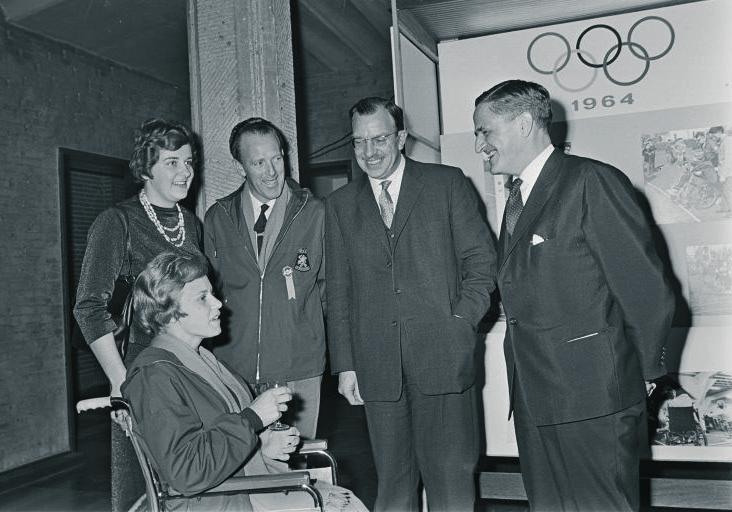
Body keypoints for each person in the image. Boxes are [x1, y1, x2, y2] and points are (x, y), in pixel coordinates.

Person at [472, 80, 674, 511]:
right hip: (536, 396)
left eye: (485, 131)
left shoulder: (590, 182)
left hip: (592, 396)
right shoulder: (518, 196)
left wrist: (644, 372)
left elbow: (646, 289)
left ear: (524, 124)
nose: (480, 146)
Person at [325, 97, 497, 511]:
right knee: (392, 486)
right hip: (377, 368)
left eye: (380, 138)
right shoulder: (341, 205)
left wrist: (461, 322)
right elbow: (338, 290)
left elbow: (482, 262)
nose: (370, 152)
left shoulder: (446, 183)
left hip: (444, 357)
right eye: (359, 142)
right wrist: (346, 363)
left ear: (400, 138)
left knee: (451, 484)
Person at [122, 252, 366, 512]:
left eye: (212, 294)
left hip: (236, 488)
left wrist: (262, 445)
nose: (218, 304)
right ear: (169, 314)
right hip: (215, 501)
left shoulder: (204, 360)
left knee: (346, 503)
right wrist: (252, 419)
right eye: (203, 298)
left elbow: (222, 438)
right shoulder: (154, 377)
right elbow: (186, 471)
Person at [74, 118, 204, 512]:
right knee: (144, 490)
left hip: (190, 369)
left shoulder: (192, 224)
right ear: (146, 169)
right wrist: (119, 378)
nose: (185, 172)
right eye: (172, 162)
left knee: (191, 481)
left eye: (189, 161)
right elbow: (88, 307)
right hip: (143, 374)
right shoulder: (118, 222)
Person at [204, 117, 325, 440]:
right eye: (258, 162)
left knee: (296, 462)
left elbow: (331, 290)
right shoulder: (218, 217)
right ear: (240, 165)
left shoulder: (315, 213)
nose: (271, 171)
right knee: (241, 464)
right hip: (233, 366)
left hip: (297, 366)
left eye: (277, 158)